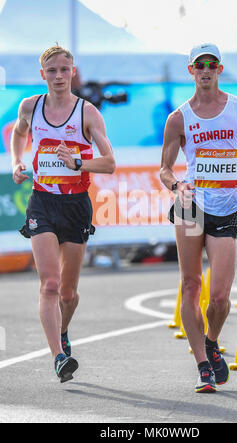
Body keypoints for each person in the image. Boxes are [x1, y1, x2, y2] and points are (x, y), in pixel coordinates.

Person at [160, 43, 237, 393]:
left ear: (220, 69)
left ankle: (211, 340)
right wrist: (177, 185)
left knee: (221, 297)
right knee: (191, 285)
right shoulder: (179, 118)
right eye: (199, 65)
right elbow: (164, 169)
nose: (205, 70)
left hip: (227, 207)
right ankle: (202, 365)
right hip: (190, 206)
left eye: (211, 64)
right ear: (191, 71)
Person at [11, 44, 115, 383]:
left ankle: (63, 330)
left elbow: (110, 163)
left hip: (75, 205)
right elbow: (18, 132)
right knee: (50, 284)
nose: (58, 76)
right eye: (51, 70)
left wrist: (77, 163)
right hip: (42, 201)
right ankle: (58, 356)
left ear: (73, 73)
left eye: (64, 70)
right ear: (43, 75)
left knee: (68, 294)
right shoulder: (31, 106)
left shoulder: (87, 113)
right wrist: (16, 160)